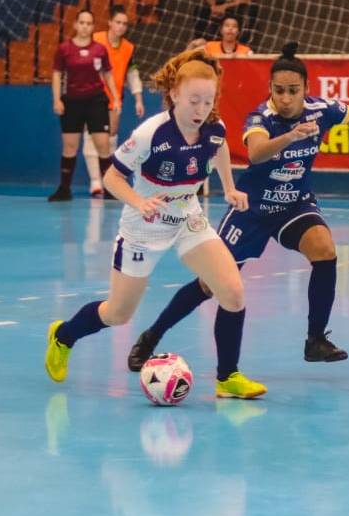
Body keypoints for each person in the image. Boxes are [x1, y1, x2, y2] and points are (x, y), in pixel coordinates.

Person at [126, 42, 349, 372]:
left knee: (324, 249)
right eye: (279, 90)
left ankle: (315, 340)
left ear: (306, 89)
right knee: (211, 285)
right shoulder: (261, 117)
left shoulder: (323, 111)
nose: (285, 98)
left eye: (293, 91)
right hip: (252, 209)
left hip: (294, 204)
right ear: (270, 89)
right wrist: (291, 136)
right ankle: (151, 336)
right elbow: (256, 153)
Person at [45, 48, 268, 399]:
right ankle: (63, 336)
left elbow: (220, 145)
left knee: (233, 292)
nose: (201, 109)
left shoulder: (213, 126)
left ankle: (227, 378)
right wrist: (139, 201)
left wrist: (229, 187)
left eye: (208, 101)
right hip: (142, 229)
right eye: (194, 100)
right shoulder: (152, 133)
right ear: (175, 94)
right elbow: (113, 176)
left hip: (187, 219)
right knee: (118, 313)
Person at [48, 10, 120, 202]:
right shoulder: (64, 49)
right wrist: (57, 99)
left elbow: (108, 74)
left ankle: (111, 189)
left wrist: (116, 97)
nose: (85, 26)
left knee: (103, 146)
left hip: (96, 101)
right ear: (76, 25)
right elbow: (56, 75)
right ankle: (64, 189)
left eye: (89, 23)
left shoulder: (100, 49)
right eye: (82, 23)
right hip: (71, 102)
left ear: (93, 27)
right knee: (70, 147)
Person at [85, 5, 146, 198]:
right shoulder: (95, 39)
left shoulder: (128, 48)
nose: (121, 27)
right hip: (91, 97)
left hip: (114, 99)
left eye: (124, 24)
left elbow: (132, 73)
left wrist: (138, 99)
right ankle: (95, 182)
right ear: (110, 22)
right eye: (118, 22)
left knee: (110, 138)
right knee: (91, 137)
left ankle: (107, 180)